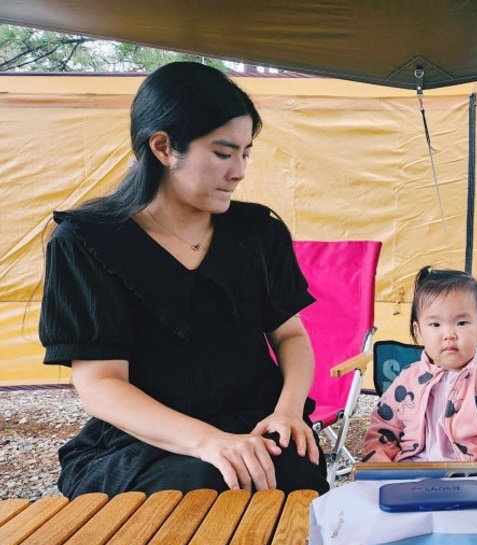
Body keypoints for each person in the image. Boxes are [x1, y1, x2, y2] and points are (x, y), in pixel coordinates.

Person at [38, 61, 329, 499]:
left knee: (290, 470)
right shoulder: (86, 242)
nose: (239, 172)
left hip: (252, 421)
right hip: (146, 440)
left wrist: (288, 412)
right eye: (222, 152)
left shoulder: (258, 232)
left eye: (245, 153)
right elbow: (101, 384)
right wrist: (208, 443)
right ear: (163, 147)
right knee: (205, 483)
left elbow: (290, 336)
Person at [361, 266, 477, 474]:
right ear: (418, 331)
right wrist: (380, 473)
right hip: (410, 477)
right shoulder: (407, 379)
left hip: (469, 478)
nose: (449, 334)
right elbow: (382, 430)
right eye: (435, 324)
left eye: (461, 322)